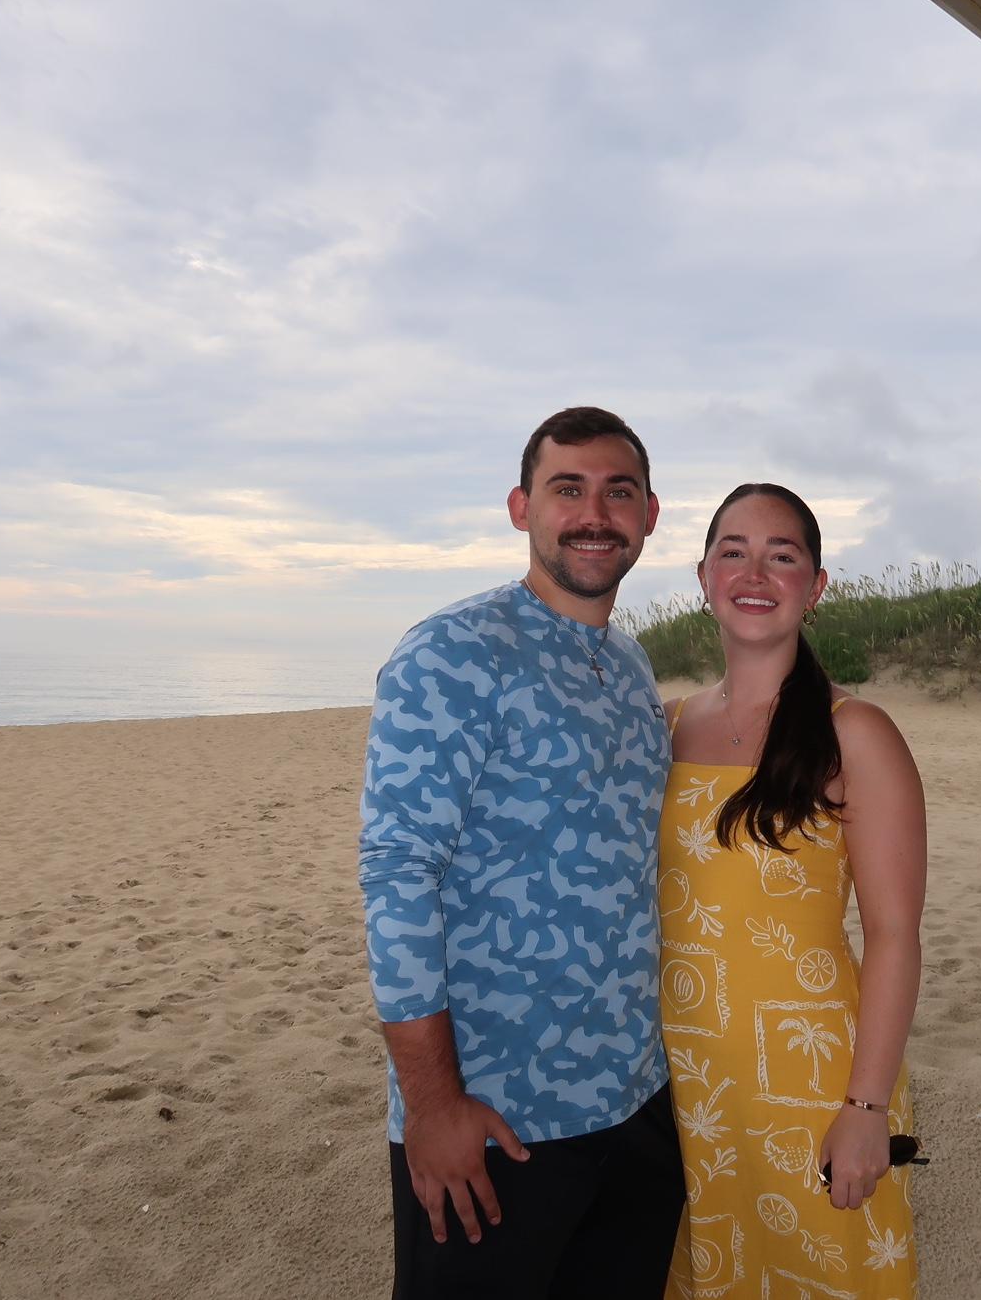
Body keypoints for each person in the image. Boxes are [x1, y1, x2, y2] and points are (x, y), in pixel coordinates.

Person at [358, 407, 686, 1300]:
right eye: (566, 489)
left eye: (618, 492)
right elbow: (396, 875)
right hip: (498, 1120)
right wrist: (431, 1107)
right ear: (521, 507)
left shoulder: (631, 667)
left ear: (649, 515)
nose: (594, 512)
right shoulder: (452, 653)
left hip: (634, 1104)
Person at [658, 483, 925, 1299]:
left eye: (783, 556)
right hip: (687, 1082)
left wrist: (867, 1109)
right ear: (703, 576)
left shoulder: (856, 732)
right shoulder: (668, 725)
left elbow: (892, 934)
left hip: (810, 1082)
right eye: (733, 551)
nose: (754, 572)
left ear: (816, 585)